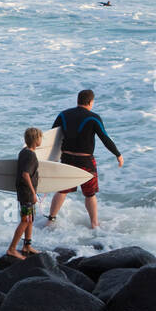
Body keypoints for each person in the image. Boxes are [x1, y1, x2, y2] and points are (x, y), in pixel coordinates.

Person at [46, 89, 123, 229]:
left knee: (62, 190)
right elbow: (105, 138)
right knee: (89, 194)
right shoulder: (93, 117)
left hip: (67, 159)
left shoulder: (64, 114)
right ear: (90, 102)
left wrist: (49, 159)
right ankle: (94, 224)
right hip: (85, 161)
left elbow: (52, 136)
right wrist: (117, 154)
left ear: (78, 100)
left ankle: (50, 220)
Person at [7, 127, 42, 258]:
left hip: (23, 191)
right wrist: (33, 193)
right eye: (40, 137)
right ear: (35, 139)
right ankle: (12, 248)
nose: (41, 140)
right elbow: (25, 174)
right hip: (27, 193)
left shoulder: (24, 151)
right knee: (25, 220)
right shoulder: (31, 155)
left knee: (30, 219)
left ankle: (27, 245)